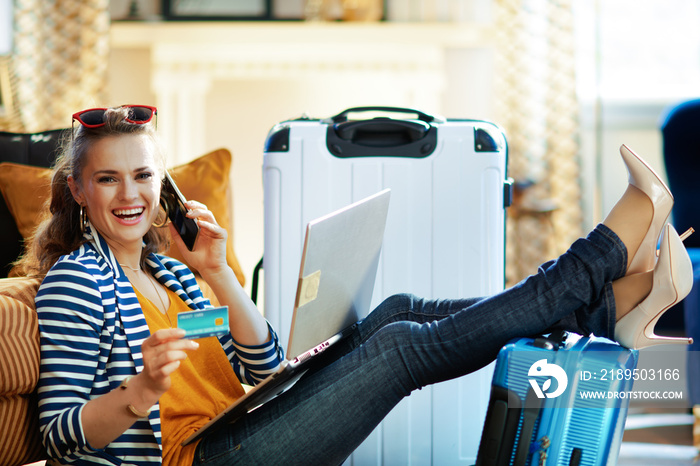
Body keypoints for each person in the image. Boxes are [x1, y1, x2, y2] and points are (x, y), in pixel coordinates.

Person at [20, 105, 692, 466]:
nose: (130, 194)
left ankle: (608, 306)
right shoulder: (79, 282)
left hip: (239, 424)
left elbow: (256, 361)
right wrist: (139, 394)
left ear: (158, 186)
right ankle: (595, 268)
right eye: (108, 179)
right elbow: (57, 437)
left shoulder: (169, 272)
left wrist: (220, 274)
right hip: (197, 461)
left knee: (395, 310)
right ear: (78, 191)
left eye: (142, 176)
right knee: (401, 349)